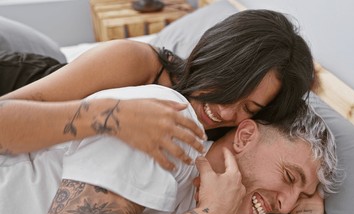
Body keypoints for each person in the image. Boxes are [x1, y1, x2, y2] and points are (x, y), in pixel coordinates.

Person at [0, 84, 339, 214]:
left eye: (297, 198)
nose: (285, 204)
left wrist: (309, 210)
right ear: (245, 136)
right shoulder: (169, 128)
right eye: (290, 178)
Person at [0, 9, 315, 171]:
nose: (228, 111)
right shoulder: (133, 62)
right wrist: (112, 117)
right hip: (18, 82)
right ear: (216, 56)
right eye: (231, 86)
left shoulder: (230, 132)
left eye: (250, 108)